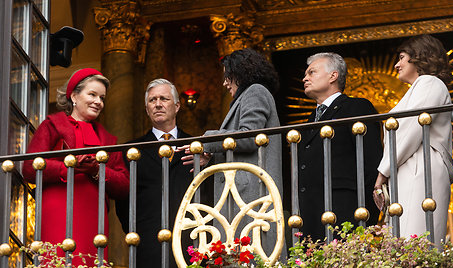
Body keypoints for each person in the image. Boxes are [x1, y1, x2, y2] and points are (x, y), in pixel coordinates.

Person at [180, 48, 283, 255]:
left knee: (255, 256)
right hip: (241, 196)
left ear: (242, 72)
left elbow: (248, 137)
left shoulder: (255, 91)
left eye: (228, 75)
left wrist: (206, 141)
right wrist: (210, 155)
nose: (225, 83)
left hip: (252, 197)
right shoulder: (247, 96)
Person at [22, 68, 130, 266]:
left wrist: (96, 171)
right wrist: (69, 167)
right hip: (57, 209)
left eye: (102, 98)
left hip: (93, 215)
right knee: (57, 260)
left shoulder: (107, 139)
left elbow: (124, 186)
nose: (99, 102)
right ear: (74, 96)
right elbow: (29, 167)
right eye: (92, 94)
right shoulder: (51, 125)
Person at [373, 35, 453, 243]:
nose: (396, 64)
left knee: (415, 241)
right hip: (413, 165)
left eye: (402, 57)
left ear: (418, 57)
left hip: (421, 165)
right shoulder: (422, 86)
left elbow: (411, 128)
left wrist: (382, 173)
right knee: (407, 242)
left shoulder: (430, 83)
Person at [298, 52, 383, 242]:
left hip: (345, 212)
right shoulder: (310, 119)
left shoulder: (356, 107)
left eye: (312, 72)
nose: (305, 78)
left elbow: (370, 162)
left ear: (333, 76)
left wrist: (366, 215)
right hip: (311, 216)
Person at [115, 79, 193, 267]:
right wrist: (138, 230)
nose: (158, 104)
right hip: (147, 243)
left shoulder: (197, 147)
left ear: (176, 106)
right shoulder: (131, 150)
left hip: (192, 239)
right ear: (147, 108)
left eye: (164, 99)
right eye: (152, 100)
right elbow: (123, 201)